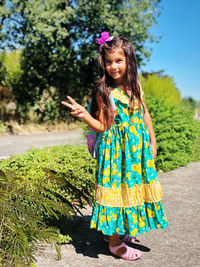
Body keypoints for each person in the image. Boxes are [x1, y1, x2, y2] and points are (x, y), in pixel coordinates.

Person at [61, 32, 168, 261]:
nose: (113, 66)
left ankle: (120, 231)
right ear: (103, 64)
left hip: (135, 152)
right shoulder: (105, 91)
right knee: (115, 193)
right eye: (108, 62)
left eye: (118, 60)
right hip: (116, 152)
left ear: (129, 60)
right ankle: (114, 244)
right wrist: (84, 115)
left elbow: (144, 113)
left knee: (130, 189)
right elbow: (102, 125)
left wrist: (152, 139)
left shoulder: (135, 86)